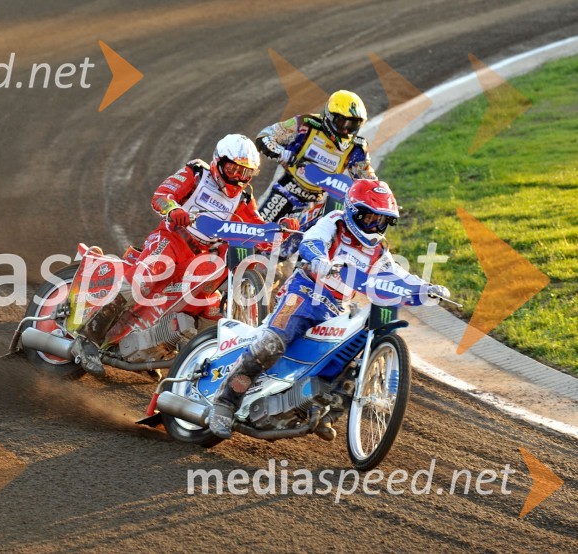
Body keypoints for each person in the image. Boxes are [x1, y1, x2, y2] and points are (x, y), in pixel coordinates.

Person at [208, 179, 449, 439]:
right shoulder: (335, 221)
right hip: (303, 292)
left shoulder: (378, 250)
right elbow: (313, 240)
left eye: (381, 221)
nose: (374, 226)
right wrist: (319, 259)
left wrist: (426, 288)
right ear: (354, 212)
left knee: (352, 364)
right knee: (272, 344)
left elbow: (396, 275)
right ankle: (225, 402)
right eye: (369, 218)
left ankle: (321, 410)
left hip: (336, 309)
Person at [70, 134, 300, 375]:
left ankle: (156, 349)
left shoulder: (243, 199)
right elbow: (161, 196)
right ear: (218, 162)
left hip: (203, 258)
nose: (238, 177)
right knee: (141, 282)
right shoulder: (197, 173)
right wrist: (173, 209)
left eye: (245, 172)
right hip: (172, 239)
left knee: (207, 308)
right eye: (233, 169)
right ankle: (87, 339)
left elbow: (257, 229)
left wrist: (280, 230)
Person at [255, 90, 377, 227]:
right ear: (330, 116)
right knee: (259, 229)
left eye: (352, 125)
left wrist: (381, 195)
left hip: (316, 203)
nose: (345, 130)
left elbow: (369, 182)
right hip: (285, 187)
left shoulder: (357, 148)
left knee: (307, 237)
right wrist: (283, 153)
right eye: (342, 122)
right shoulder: (306, 124)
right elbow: (265, 135)